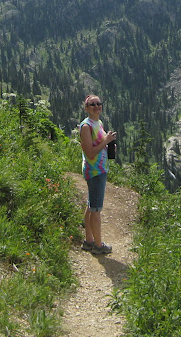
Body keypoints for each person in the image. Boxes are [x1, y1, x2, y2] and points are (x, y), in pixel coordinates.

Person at [79, 94, 117, 255]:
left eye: (99, 103)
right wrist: (106, 142)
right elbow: (89, 152)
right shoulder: (86, 126)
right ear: (86, 108)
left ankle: (89, 241)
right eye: (92, 104)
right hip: (94, 171)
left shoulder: (98, 123)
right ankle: (98, 245)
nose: (96, 106)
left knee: (91, 205)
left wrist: (107, 147)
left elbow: (98, 146)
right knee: (96, 209)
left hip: (100, 169)